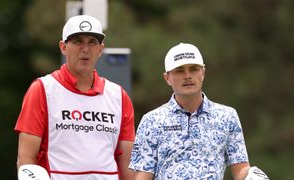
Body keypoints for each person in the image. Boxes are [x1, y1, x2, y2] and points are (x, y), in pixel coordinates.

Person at [14, 15, 135, 180]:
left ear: (100, 49)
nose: (85, 49)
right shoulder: (42, 89)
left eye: (92, 42)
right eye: (77, 41)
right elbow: (26, 160)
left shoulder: (118, 95)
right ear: (63, 47)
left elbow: (127, 163)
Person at [129, 43, 269, 179]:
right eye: (179, 70)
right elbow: (143, 175)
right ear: (167, 78)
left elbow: (240, 170)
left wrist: (252, 175)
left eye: (194, 69)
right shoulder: (151, 120)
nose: (187, 75)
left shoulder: (227, 116)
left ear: (203, 73)